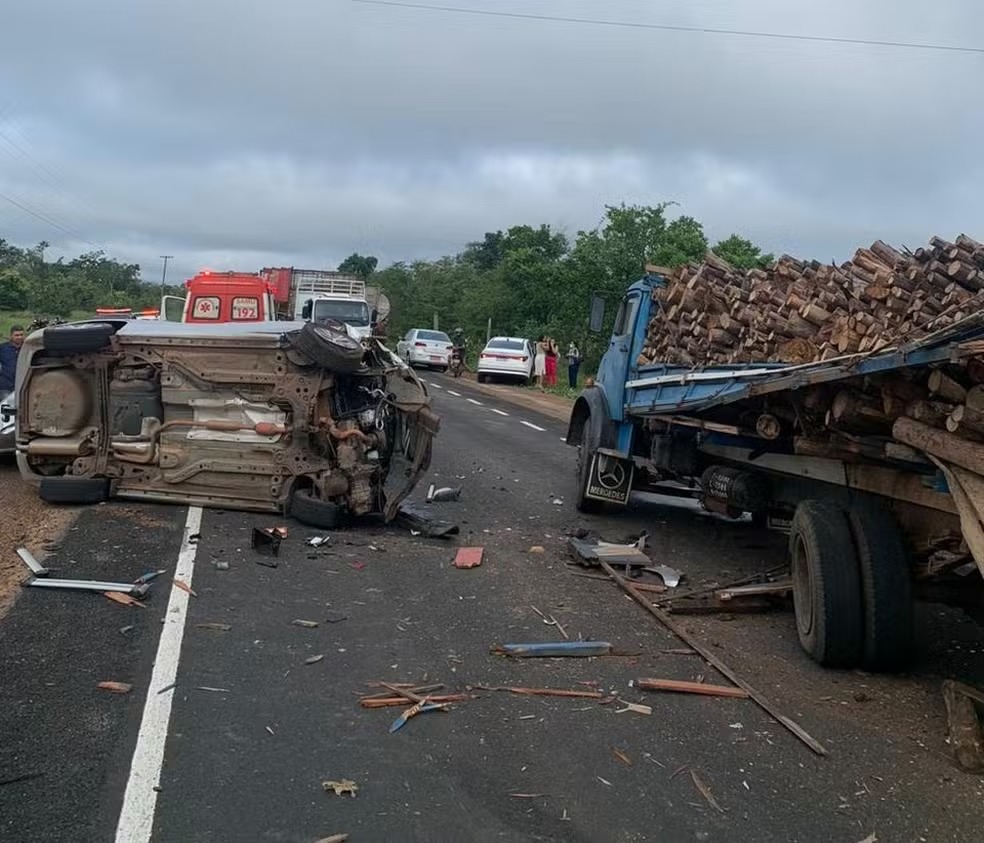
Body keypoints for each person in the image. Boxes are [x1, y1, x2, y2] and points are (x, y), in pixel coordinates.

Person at [0, 325, 25, 403]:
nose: (19, 337)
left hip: (23, 386)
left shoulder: (27, 348)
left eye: (21, 335)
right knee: (7, 407)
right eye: (16, 335)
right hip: (6, 386)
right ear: (11, 336)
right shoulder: (3, 348)